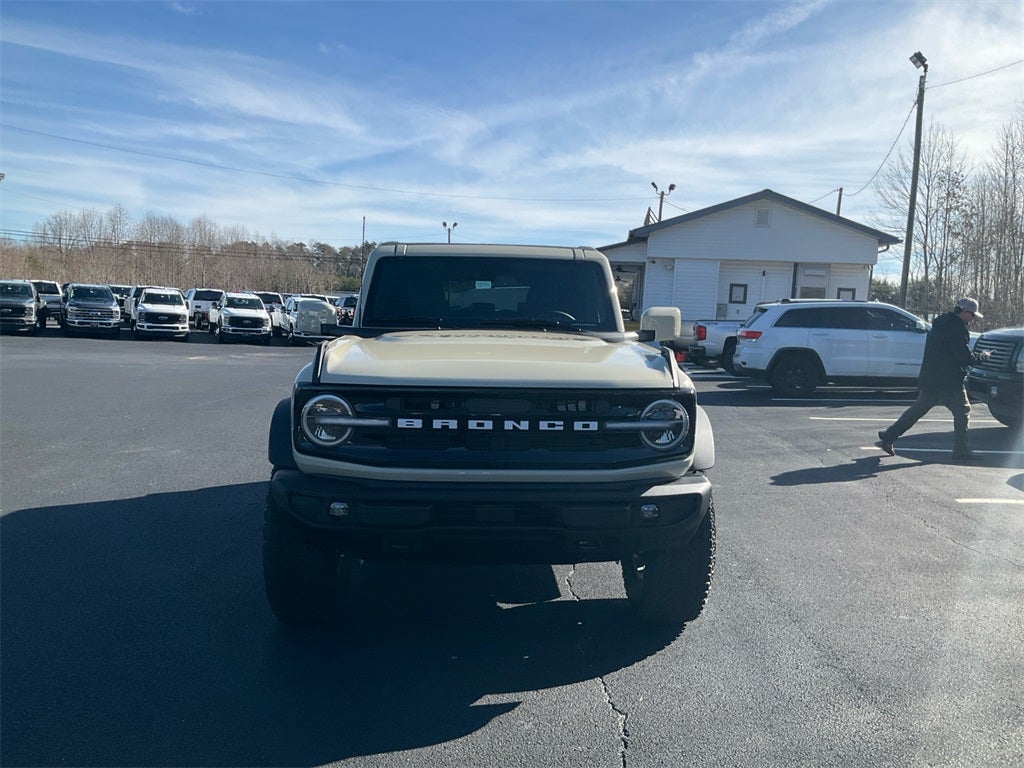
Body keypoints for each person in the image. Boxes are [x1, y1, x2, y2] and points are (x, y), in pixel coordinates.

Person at [876, 297, 991, 462]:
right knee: (963, 411)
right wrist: (983, 357)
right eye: (972, 316)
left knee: (918, 409)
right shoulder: (958, 329)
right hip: (949, 381)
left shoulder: (939, 325)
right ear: (965, 313)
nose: (972, 320)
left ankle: (889, 436)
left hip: (930, 377)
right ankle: (961, 451)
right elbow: (963, 357)